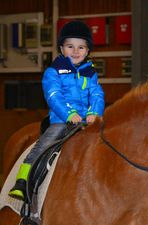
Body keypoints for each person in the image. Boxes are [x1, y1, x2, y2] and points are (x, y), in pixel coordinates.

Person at [9, 20, 105, 201]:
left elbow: (97, 94)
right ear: (62, 49)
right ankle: (23, 179)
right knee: (45, 144)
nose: (76, 51)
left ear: (87, 51)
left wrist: (94, 113)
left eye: (81, 47)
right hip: (62, 119)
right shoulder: (53, 72)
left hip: (87, 120)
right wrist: (70, 114)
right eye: (70, 46)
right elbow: (54, 96)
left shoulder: (90, 73)